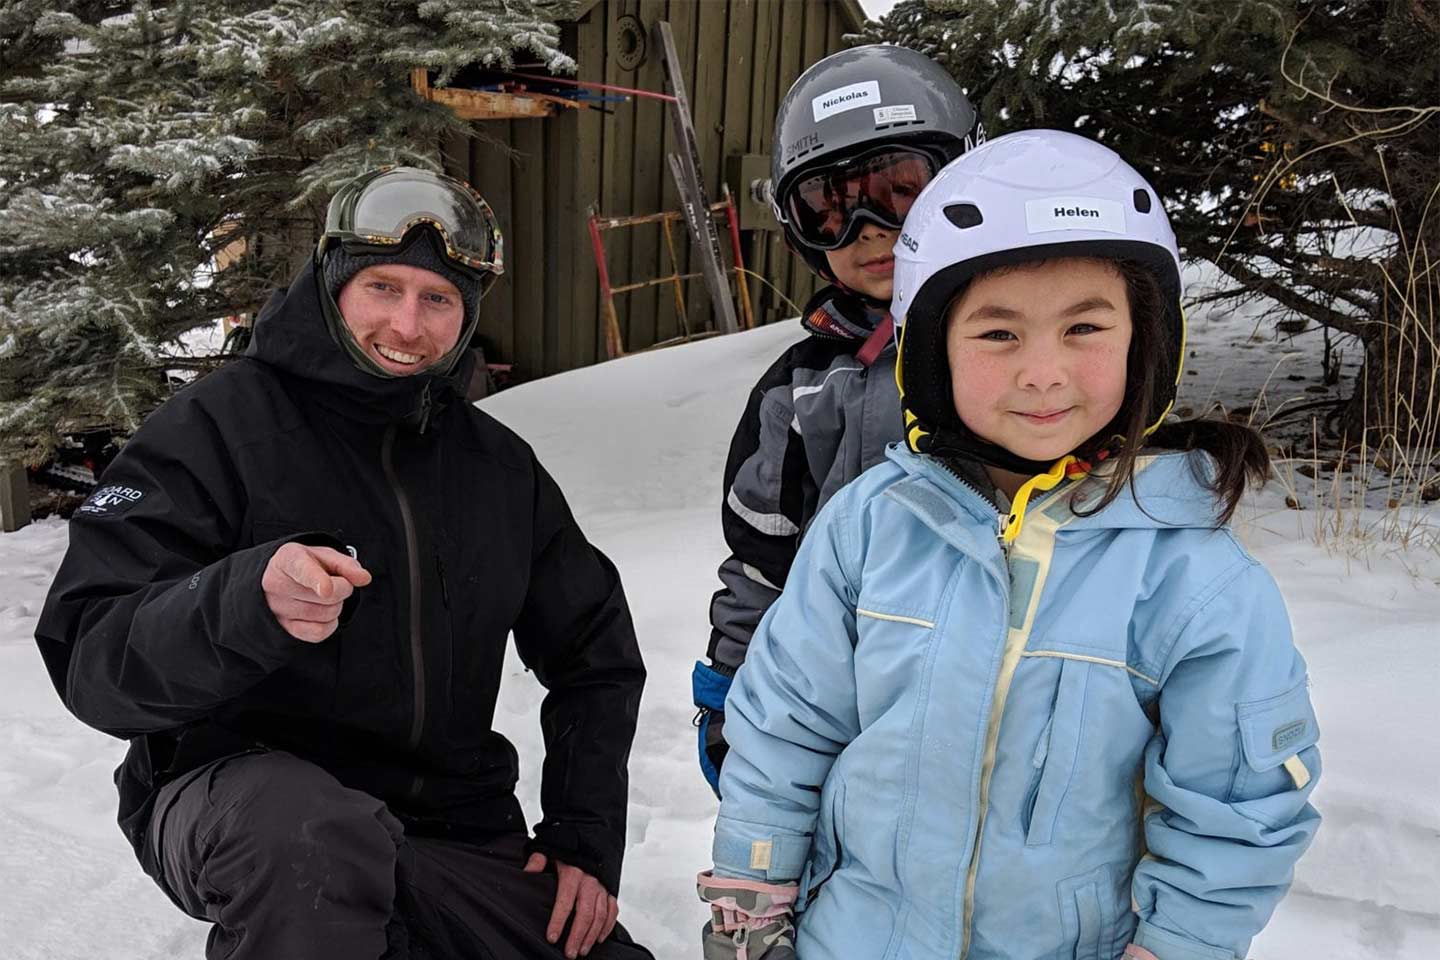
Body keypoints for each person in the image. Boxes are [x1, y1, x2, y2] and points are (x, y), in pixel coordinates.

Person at [697, 131, 1321, 960]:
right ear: (930, 352)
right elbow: (785, 729)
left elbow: (1237, 809)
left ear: (1145, 343)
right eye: (998, 334)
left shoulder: (1194, 580)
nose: (1042, 371)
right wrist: (753, 900)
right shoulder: (870, 527)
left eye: (1084, 329)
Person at [35, 166, 653, 960]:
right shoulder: (216, 428)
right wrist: (241, 604)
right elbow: (93, 656)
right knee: (312, 843)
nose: (407, 324)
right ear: (332, 285)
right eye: (383, 288)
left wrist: (584, 839)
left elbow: (595, 656)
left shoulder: (498, 468)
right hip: (236, 798)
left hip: (445, 830)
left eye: (438, 300)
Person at [694, 45, 984, 795]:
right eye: (828, 206)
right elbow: (763, 562)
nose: (867, 228)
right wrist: (731, 692)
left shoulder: (1020, 359)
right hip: (843, 717)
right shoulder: (801, 391)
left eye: (898, 189)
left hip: (1002, 715)